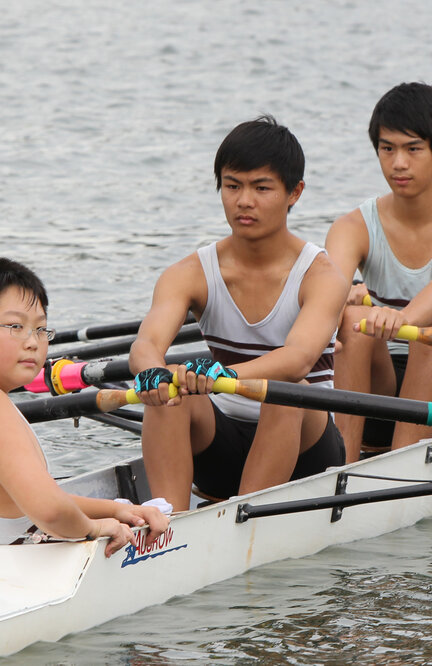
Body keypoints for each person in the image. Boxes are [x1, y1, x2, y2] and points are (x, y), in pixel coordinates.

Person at [130, 116, 347, 511]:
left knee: (287, 391)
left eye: (261, 188)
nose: (244, 201)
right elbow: (146, 343)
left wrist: (225, 376)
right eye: (232, 186)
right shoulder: (189, 274)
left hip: (308, 452)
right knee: (169, 392)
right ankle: (167, 523)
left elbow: (298, 358)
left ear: (294, 192)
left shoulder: (321, 275)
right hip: (222, 444)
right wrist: (152, 372)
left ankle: (244, 519)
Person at [0, 257, 168, 557]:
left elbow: (30, 500)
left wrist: (121, 510)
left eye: (41, 329)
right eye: (15, 326)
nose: (33, 342)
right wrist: (97, 528)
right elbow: (51, 511)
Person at [326, 82, 432, 462]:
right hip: (385, 378)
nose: (398, 163)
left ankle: (402, 470)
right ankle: (340, 467)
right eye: (387, 149)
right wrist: (340, 300)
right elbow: (326, 293)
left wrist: (403, 318)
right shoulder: (352, 226)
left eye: (413, 149)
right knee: (352, 316)